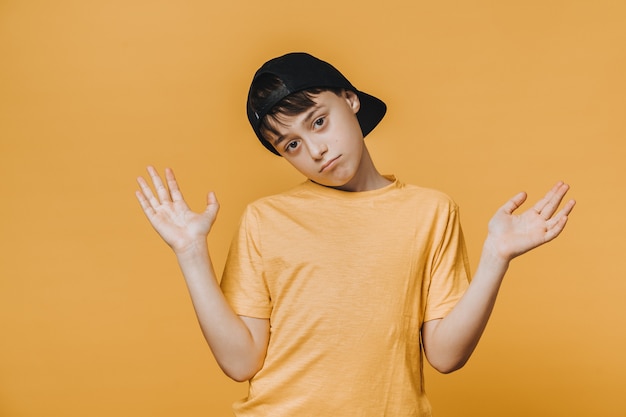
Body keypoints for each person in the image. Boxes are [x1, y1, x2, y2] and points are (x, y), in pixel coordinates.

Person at [135, 52, 575, 416]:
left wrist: (496, 258)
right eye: (290, 145)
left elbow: (445, 355)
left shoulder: (430, 211)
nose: (315, 150)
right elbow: (240, 361)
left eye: (318, 121)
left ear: (350, 100)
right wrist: (191, 252)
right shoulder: (265, 220)